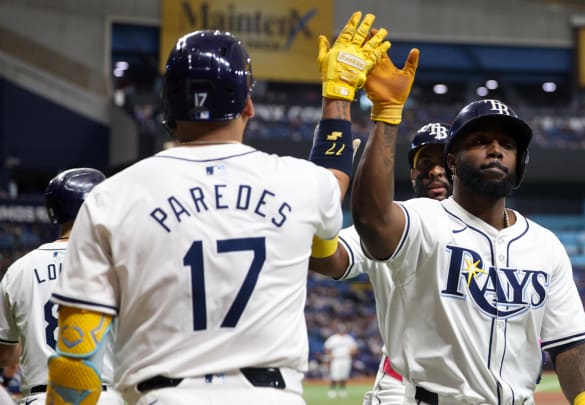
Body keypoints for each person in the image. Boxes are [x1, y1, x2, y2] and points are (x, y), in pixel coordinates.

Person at [46, 11, 390, 405]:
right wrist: (338, 94)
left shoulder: (110, 197)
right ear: (248, 105)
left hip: (162, 397)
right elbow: (334, 175)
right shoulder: (300, 183)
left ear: (168, 110)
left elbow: (76, 362)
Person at [350, 47, 585, 404]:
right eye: (480, 141)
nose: (496, 150)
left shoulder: (545, 246)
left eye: (507, 144)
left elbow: (571, 341)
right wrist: (387, 116)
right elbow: (371, 221)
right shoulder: (426, 219)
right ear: (452, 161)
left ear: (520, 164)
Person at [324, 122, 452, 405]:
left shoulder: (491, 230)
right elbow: (330, 259)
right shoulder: (387, 224)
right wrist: (326, 195)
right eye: (425, 163)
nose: (436, 170)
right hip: (402, 388)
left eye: (445, 161)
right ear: (413, 174)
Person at [0, 168, 124, 405]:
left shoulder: (20, 269)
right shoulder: (116, 263)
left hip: (40, 397)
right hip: (102, 396)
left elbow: (4, 354)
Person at [323, 324, 358, 399]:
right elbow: (326, 347)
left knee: (344, 376)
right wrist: (331, 354)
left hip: (346, 359)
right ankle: (332, 391)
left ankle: (342, 391)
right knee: (334, 375)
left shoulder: (349, 338)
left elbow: (355, 349)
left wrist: (351, 352)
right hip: (336, 359)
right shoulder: (334, 338)